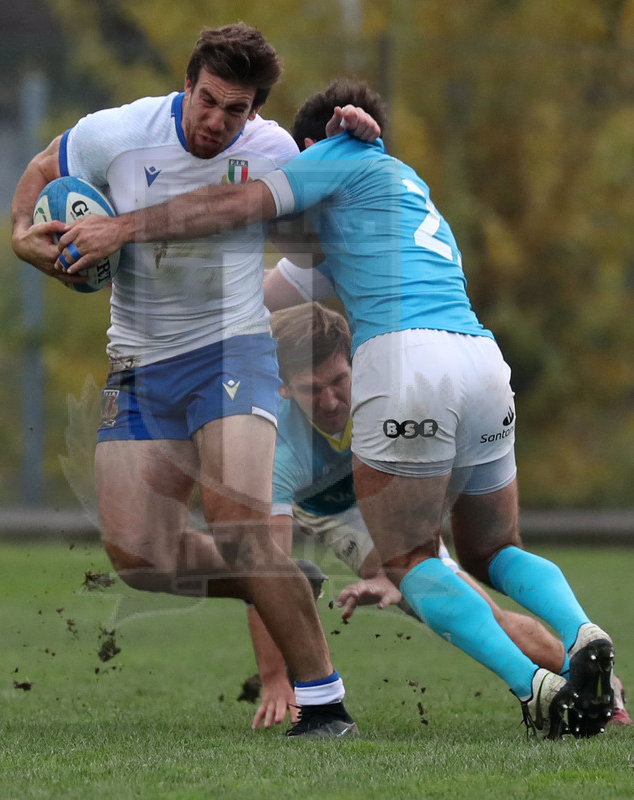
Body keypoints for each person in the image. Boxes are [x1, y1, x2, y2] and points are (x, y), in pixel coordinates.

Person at [56, 78, 618, 740]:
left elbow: (232, 203)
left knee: (409, 561)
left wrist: (117, 229)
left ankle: (534, 688)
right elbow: (254, 297)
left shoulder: (329, 159)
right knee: (494, 548)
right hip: (481, 362)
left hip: (407, 365)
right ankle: (582, 632)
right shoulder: (399, 189)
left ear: (310, 147)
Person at [11, 25, 380, 739]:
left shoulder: (270, 151)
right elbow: (37, 175)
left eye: (233, 110)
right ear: (187, 86)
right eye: (207, 101)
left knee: (239, 523)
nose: (215, 121)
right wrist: (24, 236)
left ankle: (324, 702)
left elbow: (344, 180)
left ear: (254, 113)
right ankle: (277, 579)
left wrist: (359, 137)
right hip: (139, 363)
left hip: (231, 352)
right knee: (140, 559)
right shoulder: (114, 134)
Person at [246, 301, 630, 729]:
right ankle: (586, 679)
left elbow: (434, 486)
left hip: (393, 494)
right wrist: (275, 680)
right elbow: (266, 568)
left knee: (474, 606)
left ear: (356, 363)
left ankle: (597, 684)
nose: (331, 400)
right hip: (336, 514)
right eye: (311, 389)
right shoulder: (276, 450)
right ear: (282, 387)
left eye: (339, 380)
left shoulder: (394, 393)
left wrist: (400, 568)